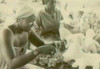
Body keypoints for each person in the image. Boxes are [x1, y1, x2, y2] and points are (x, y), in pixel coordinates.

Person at [0, 3, 56, 69]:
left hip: (20, 65)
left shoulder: (27, 30)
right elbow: (11, 64)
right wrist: (38, 51)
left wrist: (56, 44)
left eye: (33, 20)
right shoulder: (7, 33)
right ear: (19, 19)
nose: (32, 24)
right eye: (29, 21)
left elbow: (42, 45)